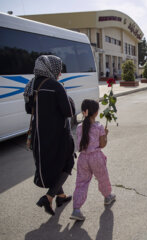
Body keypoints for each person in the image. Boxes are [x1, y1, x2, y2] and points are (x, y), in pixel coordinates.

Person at [24, 55, 75, 216]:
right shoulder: (56, 86)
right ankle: (49, 197)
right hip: (58, 136)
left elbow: (28, 109)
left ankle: (60, 196)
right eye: (58, 68)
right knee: (67, 163)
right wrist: (67, 96)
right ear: (51, 68)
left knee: (53, 166)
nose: (60, 71)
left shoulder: (31, 85)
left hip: (40, 135)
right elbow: (69, 112)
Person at [70, 99, 115, 221]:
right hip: (96, 157)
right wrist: (105, 135)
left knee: (81, 183)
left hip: (83, 158)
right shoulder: (99, 126)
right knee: (102, 177)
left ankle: (76, 209)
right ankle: (107, 196)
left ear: (84, 112)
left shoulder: (79, 127)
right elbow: (102, 145)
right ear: (95, 112)